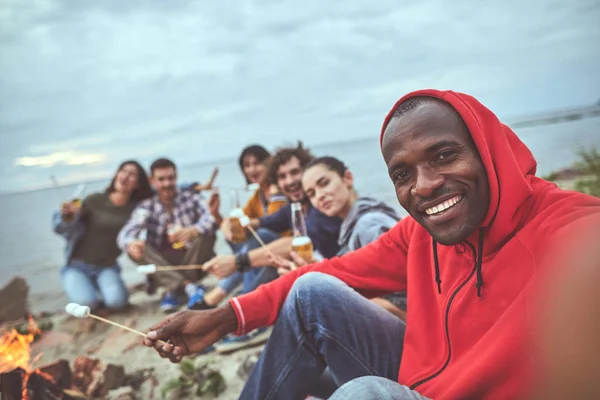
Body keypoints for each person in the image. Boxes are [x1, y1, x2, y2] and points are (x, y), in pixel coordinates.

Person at [142, 90, 600, 400]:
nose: (424, 186)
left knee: (359, 395)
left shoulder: (563, 230)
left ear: (488, 148)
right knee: (312, 294)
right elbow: (332, 273)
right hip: (421, 379)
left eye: (444, 155)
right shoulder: (420, 235)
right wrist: (226, 317)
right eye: (402, 174)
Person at [274, 155, 406, 320]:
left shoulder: (369, 225)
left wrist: (322, 285)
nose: (319, 196)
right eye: (312, 194)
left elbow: (406, 298)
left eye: (324, 184)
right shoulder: (354, 224)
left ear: (347, 178)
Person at [202, 142, 342, 280]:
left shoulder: (322, 207)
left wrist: (238, 262)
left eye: (295, 172)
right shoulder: (291, 207)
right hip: (305, 270)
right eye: (282, 177)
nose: (289, 181)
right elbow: (260, 221)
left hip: (332, 278)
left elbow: (293, 243)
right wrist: (221, 218)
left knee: (266, 246)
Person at [117, 158, 220, 313]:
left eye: (171, 178)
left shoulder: (190, 197)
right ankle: (188, 286)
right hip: (164, 262)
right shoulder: (147, 206)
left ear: (176, 178)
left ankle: (172, 288)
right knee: (136, 247)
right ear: (152, 181)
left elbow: (212, 217)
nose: (167, 183)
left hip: (191, 258)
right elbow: (126, 233)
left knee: (206, 234)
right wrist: (131, 243)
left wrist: (193, 230)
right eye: (161, 179)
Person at [52, 160, 153, 312]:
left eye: (132, 174)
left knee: (117, 303)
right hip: (76, 266)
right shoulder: (94, 200)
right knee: (87, 304)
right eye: (123, 170)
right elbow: (61, 228)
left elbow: (164, 190)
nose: (125, 176)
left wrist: (194, 187)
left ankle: (102, 288)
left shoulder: (136, 209)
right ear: (117, 174)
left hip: (107, 267)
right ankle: (84, 288)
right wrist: (68, 217)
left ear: (138, 184)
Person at [199, 145, 289, 312]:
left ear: (269, 163)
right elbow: (237, 229)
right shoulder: (259, 194)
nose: (251, 169)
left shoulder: (278, 191)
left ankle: (237, 303)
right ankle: (224, 296)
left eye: (256, 163)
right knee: (237, 240)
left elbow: (275, 223)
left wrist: (247, 223)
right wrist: (217, 215)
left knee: (260, 237)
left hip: (284, 254)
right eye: (246, 165)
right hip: (265, 255)